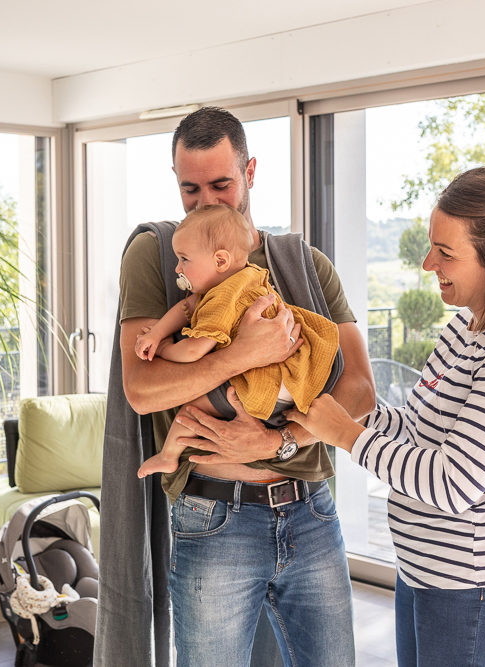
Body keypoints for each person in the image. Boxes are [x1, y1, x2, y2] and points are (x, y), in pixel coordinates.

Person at [111, 106, 376, 667]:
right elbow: (143, 389)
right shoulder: (159, 258)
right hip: (214, 519)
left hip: (311, 514)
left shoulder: (306, 266)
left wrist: (280, 445)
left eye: (222, 184)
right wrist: (243, 355)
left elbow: (359, 391)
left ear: (250, 172)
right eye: (190, 188)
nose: (206, 201)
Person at [283, 167, 485, 667]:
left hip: (478, 590)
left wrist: (345, 434)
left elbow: (453, 483)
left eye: (446, 252)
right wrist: (333, 404)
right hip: (427, 575)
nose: (426, 262)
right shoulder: (467, 329)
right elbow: (419, 433)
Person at [135, 204, 339, 479]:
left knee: (190, 410)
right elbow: (187, 309)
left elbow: (195, 350)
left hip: (271, 381)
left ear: (220, 261)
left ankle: (168, 456)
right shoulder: (246, 277)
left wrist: (163, 349)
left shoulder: (223, 298)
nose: (177, 268)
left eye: (184, 259)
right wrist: (158, 331)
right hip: (296, 378)